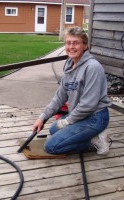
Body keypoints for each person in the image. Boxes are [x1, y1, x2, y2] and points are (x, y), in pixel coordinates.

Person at [32, 26, 111, 155]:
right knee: (53, 130)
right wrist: (42, 118)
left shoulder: (92, 67)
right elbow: (59, 98)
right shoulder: (69, 66)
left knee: (52, 146)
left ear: (85, 46)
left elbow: (88, 105)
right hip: (80, 115)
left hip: (95, 117)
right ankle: (87, 135)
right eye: (68, 43)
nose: (71, 47)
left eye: (76, 43)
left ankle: (95, 141)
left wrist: (67, 121)